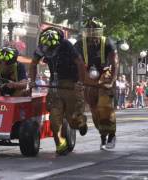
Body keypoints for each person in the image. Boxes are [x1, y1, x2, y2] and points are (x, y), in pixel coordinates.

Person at [29, 27, 88, 155]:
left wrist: (80, 83)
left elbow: (80, 64)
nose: (49, 51)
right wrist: (32, 81)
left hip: (71, 83)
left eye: (52, 49)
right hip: (55, 84)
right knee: (54, 118)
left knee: (72, 119)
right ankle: (60, 144)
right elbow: (33, 64)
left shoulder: (66, 45)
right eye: (47, 49)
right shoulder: (41, 46)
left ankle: (80, 121)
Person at [74, 17, 119, 150]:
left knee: (104, 107)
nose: (92, 34)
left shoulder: (108, 42)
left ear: (100, 31)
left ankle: (111, 135)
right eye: (89, 30)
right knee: (94, 110)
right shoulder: (79, 45)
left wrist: (111, 81)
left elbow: (115, 62)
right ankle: (102, 136)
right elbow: (75, 62)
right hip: (88, 76)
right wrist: (77, 80)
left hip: (105, 76)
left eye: (95, 31)